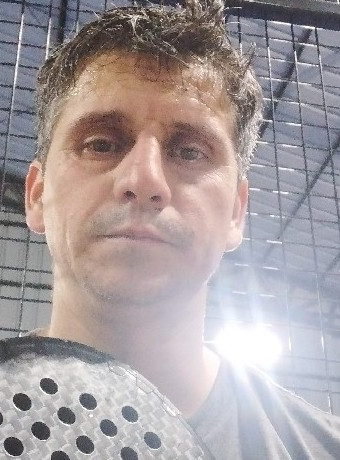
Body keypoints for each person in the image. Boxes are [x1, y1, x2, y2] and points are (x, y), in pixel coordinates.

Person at [24, 1, 340, 458]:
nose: (144, 180)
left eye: (189, 152)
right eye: (101, 144)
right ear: (37, 194)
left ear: (236, 213)